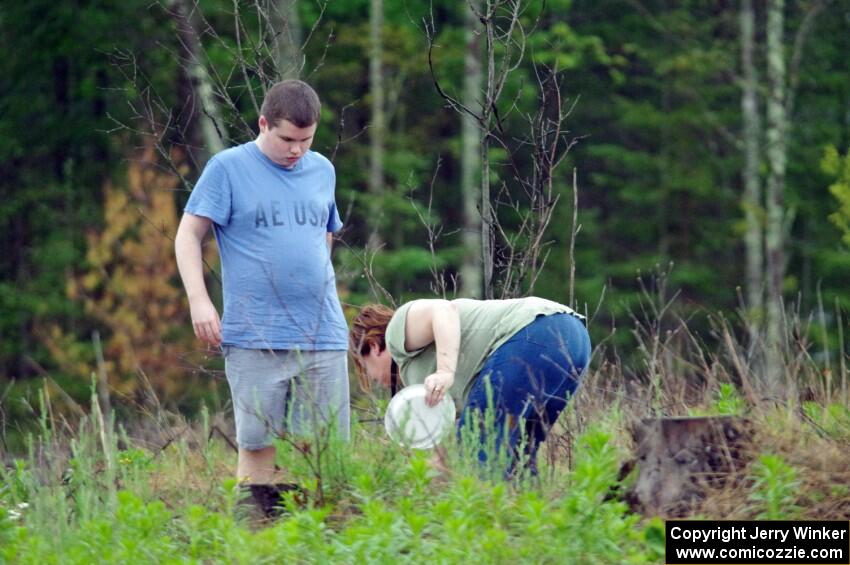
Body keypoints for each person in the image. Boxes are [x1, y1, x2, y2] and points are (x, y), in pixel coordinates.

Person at [175, 80, 350, 515]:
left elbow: (325, 232)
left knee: (324, 447)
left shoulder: (322, 169)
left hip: (322, 332)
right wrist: (199, 300)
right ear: (264, 124)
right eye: (287, 139)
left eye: (306, 141)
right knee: (258, 444)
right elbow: (188, 234)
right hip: (256, 334)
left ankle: (318, 538)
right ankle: (255, 540)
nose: (296, 150)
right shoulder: (228, 168)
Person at [350, 297, 590, 477]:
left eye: (366, 368)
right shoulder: (419, 374)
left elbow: (443, 309)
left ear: (372, 346)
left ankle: (485, 534)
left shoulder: (395, 334)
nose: (373, 380)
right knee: (518, 461)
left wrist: (445, 370)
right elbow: (455, 442)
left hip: (537, 331)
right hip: (575, 339)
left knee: (478, 452)